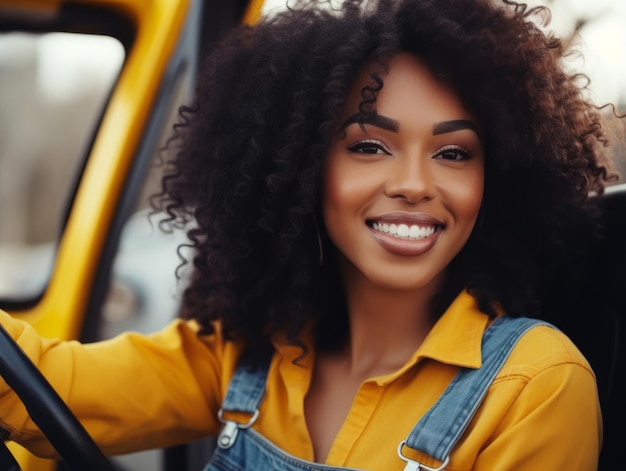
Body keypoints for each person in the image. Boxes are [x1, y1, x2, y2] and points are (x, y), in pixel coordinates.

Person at [0, 0, 615, 469]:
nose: (413, 184)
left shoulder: (535, 385)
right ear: (298, 170)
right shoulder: (242, 353)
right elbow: (46, 385)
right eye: (370, 146)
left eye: (453, 153)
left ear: (497, 179)